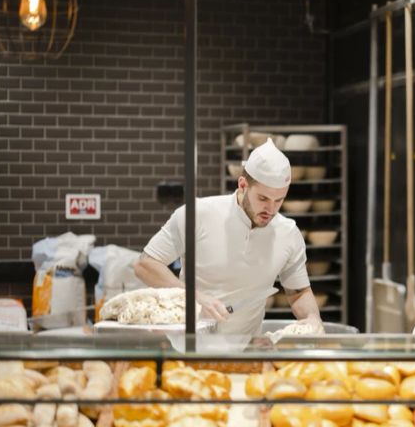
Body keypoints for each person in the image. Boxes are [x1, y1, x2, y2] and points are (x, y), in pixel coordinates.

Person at [134, 138, 323, 334]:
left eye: (279, 200)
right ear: (242, 185)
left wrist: (313, 318)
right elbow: (145, 265)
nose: (271, 209)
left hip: (247, 355)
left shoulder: (288, 233)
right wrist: (191, 297)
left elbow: (299, 293)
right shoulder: (197, 214)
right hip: (189, 348)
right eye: (263, 198)